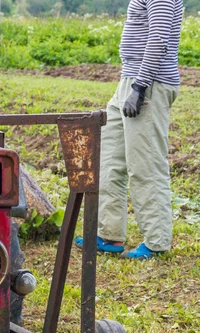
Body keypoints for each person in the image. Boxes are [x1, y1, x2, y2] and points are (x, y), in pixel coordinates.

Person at [76, 0, 183, 260]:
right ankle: (109, 234)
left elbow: (158, 38)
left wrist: (139, 87)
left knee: (145, 164)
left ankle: (157, 243)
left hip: (148, 85)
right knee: (110, 159)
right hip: (129, 79)